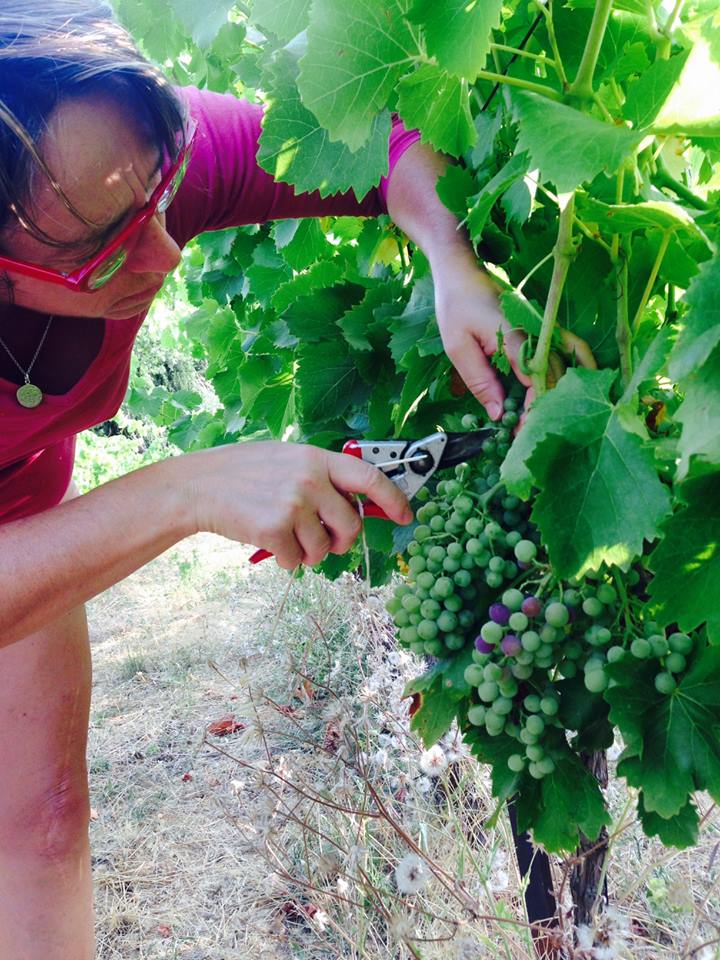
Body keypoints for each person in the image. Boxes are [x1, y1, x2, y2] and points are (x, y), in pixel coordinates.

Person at [0, 2, 537, 957]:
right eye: (108, 251)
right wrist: (179, 492)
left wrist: (449, 254)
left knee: (42, 824)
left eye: (162, 196)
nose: (166, 252)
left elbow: (381, 140)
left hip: (23, 494)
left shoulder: (114, 161)